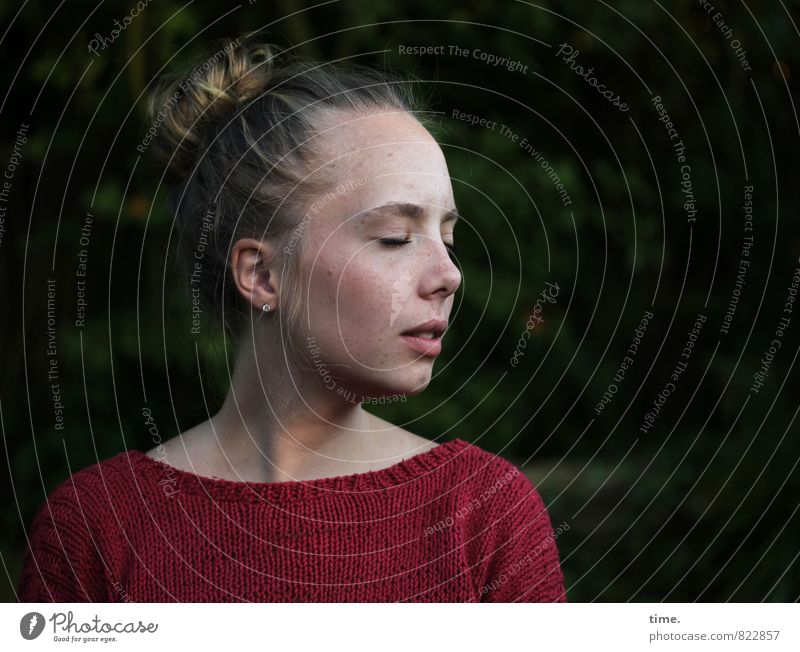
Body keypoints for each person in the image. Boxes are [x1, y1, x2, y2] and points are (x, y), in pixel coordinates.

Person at [18, 36, 566, 602]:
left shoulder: (483, 514)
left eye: (447, 238)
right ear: (261, 275)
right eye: (395, 238)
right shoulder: (94, 531)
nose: (448, 275)